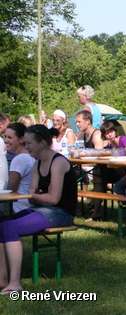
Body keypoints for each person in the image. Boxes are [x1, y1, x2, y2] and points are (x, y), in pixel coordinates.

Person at [0, 125, 76, 295]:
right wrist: (41, 195)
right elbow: (32, 195)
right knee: (2, 224)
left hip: (61, 213)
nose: (26, 147)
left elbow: (53, 199)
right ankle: (2, 278)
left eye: (28, 143)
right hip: (42, 209)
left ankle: (15, 283)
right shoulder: (37, 163)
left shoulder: (58, 162)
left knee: (10, 228)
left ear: (42, 143)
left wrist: (39, 195)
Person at [3, 123, 35, 213]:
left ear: (21, 139)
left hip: (16, 208)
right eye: (5, 136)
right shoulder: (30, 156)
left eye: (10, 137)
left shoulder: (19, 159)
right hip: (27, 205)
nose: (5, 140)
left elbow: (10, 191)